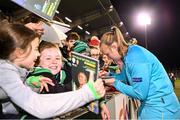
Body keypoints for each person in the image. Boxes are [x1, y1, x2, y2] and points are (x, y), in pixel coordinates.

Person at [0, 21, 105, 119]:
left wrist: (30, 86)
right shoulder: (5, 71)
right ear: (20, 52)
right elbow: (37, 106)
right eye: (36, 49)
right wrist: (86, 94)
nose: (38, 54)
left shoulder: (13, 69)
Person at [100, 26, 180, 119]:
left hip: (161, 108)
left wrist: (114, 82)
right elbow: (125, 77)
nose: (107, 58)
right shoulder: (128, 55)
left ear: (114, 47)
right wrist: (108, 75)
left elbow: (140, 94)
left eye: (107, 54)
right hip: (153, 105)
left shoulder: (135, 58)